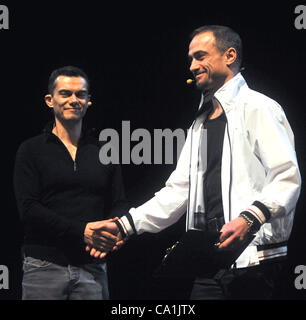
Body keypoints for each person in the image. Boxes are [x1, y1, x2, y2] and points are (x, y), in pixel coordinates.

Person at [88, 25, 301, 299]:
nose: (192, 65)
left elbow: (287, 177)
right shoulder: (199, 124)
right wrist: (124, 226)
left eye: (200, 56)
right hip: (209, 261)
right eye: (190, 58)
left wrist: (250, 218)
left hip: (254, 262)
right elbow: (178, 191)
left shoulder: (259, 107)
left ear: (230, 56)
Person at [13, 66, 127, 300]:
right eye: (65, 93)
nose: (74, 100)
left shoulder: (105, 151)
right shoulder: (31, 150)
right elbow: (28, 209)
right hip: (43, 266)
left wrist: (115, 233)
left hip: (92, 267)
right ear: (49, 100)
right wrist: (81, 232)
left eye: (80, 94)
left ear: (88, 101)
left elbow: (119, 203)